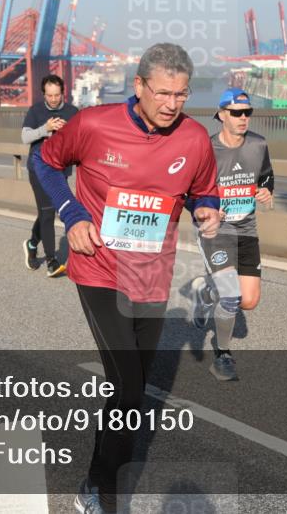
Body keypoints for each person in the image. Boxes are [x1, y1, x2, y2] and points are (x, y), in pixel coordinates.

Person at [34, 43, 220, 514]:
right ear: (138, 86)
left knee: (128, 394)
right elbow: (45, 162)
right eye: (163, 93)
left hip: (152, 275)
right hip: (98, 267)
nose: (172, 104)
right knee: (130, 389)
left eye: (181, 94)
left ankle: (95, 479)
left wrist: (207, 211)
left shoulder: (195, 138)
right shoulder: (93, 124)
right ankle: (103, 495)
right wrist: (72, 213)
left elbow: (204, 191)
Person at [189, 88, 274, 382]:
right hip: (216, 230)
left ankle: (205, 292)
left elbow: (266, 176)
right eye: (236, 112)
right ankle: (222, 356)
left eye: (247, 112)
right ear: (221, 114)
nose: (243, 118)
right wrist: (205, 212)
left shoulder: (258, 144)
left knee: (248, 301)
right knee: (231, 296)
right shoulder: (207, 149)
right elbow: (191, 191)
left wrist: (266, 190)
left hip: (247, 228)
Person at [20, 75, 78, 277]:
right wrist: (46, 129)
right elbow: (25, 137)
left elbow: (80, 139)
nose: (53, 99)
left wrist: (67, 131)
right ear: (43, 94)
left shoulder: (72, 112)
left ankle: (32, 243)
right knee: (47, 212)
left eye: (57, 95)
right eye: (49, 95)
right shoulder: (35, 111)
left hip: (60, 170)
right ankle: (52, 261)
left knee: (49, 211)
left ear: (63, 93)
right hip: (38, 170)